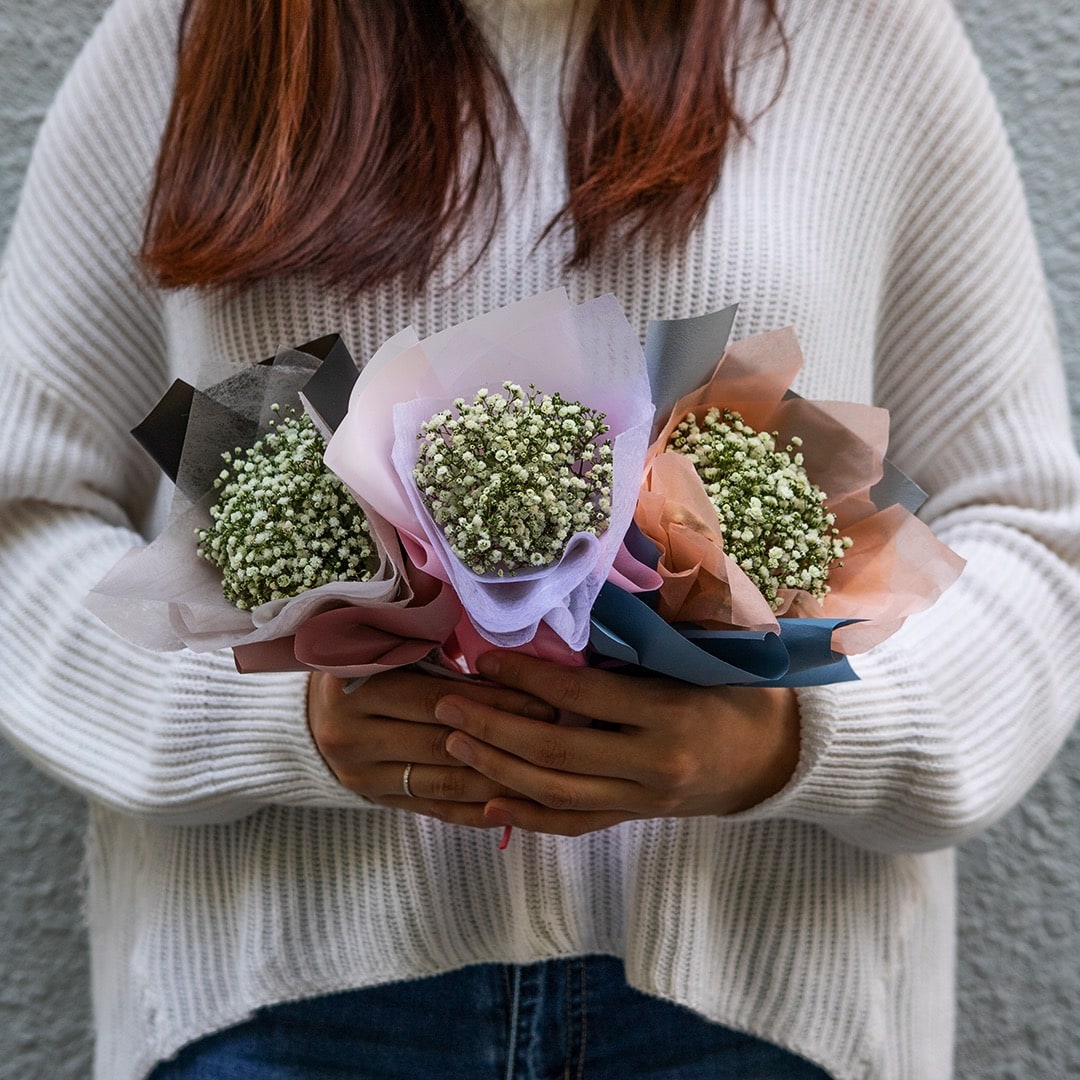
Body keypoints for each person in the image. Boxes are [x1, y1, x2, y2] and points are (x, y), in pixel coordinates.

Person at [1, 0, 1078, 1077]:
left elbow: (1032, 539)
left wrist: (791, 743)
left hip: (764, 1010)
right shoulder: (190, 31)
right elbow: (23, 521)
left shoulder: (860, 29)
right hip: (281, 1004)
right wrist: (276, 723)